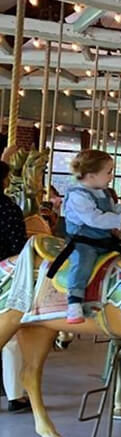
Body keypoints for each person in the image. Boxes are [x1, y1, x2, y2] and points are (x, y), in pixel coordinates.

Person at [61, 150, 121, 324]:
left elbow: (112, 210)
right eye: (108, 172)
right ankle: (74, 301)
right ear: (91, 176)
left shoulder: (102, 192)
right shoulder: (78, 195)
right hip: (83, 242)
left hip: (103, 241)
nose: (111, 176)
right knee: (84, 261)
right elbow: (94, 218)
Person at [0, 159, 30, 413]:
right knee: (9, 336)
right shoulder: (8, 208)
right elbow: (19, 245)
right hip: (4, 271)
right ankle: (14, 394)